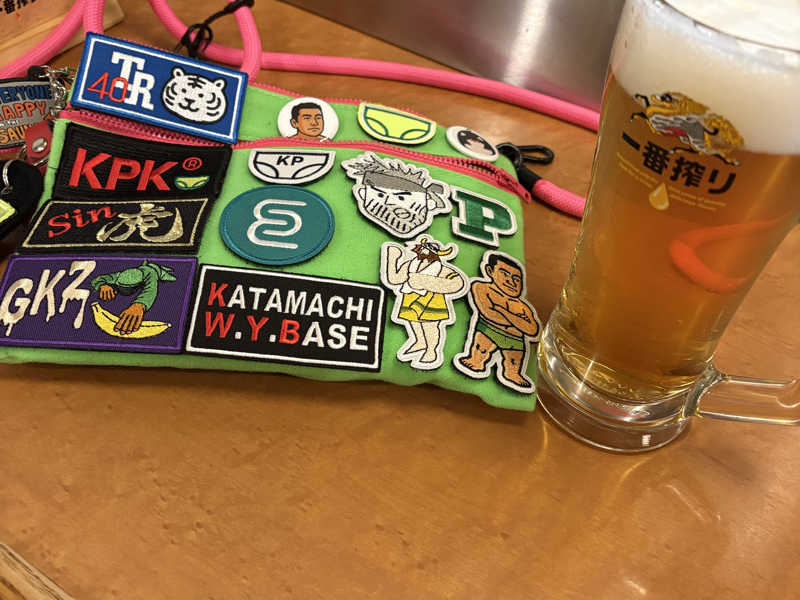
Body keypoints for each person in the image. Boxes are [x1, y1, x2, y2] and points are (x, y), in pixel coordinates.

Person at [456, 252, 540, 391]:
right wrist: (518, 321)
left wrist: (502, 310)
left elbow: (532, 329)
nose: (511, 281)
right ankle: (475, 361)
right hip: (488, 329)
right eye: (504, 274)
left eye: (516, 279)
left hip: (515, 339)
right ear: (490, 271)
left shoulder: (523, 306)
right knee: (480, 350)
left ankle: (513, 374)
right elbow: (489, 313)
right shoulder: (481, 287)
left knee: (514, 362)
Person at [381, 237, 466, 369]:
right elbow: (395, 279)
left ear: (432, 253)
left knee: (429, 326)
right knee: (413, 322)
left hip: (431, 300)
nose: (419, 250)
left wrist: (425, 281)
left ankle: (431, 351)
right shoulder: (411, 264)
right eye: (421, 248)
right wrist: (393, 258)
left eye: (423, 249)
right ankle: (419, 341)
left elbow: (457, 282)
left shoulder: (441, 269)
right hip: (410, 297)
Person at [91, 260, 177, 335]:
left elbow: (151, 289)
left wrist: (139, 305)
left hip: (155, 271)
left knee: (169, 277)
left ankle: (162, 271)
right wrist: (102, 285)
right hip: (141, 268)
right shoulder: (118, 276)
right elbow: (100, 279)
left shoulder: (150, 274)